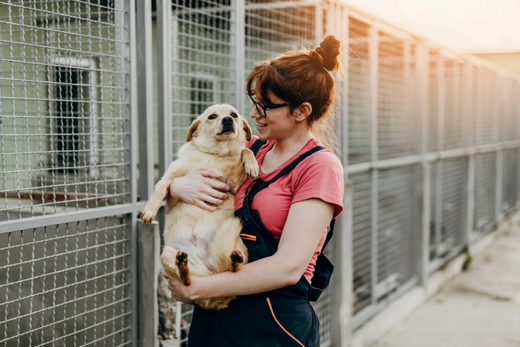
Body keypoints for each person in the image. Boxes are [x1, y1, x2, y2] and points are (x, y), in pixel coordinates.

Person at [163, 34, 345, 347]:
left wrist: (196, 289)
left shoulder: (319, 167)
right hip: (215, 316)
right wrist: (177, 186)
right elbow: (179, 204)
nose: (253, 114)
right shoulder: (249, 149)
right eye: (254, 102)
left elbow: (288, 267)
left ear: (301, 111)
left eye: (265, 106)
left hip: (272, 321)